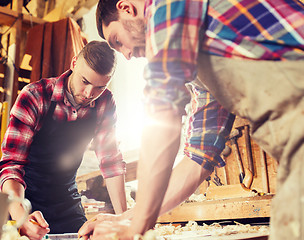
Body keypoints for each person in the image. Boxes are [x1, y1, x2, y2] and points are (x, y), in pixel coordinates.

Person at [78, 0, 304, 240]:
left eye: (118, 42)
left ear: (126, 8)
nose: (127, 55)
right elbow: (199, 156)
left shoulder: (165, 5)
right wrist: (127, 218)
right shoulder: (204, 63)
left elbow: (163, 111)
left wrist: (136, 228)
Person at [0, 41, 127, 240]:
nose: (89, 94)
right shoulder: (34, 96)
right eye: (84, 81)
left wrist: (123, 221)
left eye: (99, 87)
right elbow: (12, 166)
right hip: (21, 200)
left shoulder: (105, 103)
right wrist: (22, 219)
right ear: (74, 63)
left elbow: (111, 163)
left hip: (66, 202)